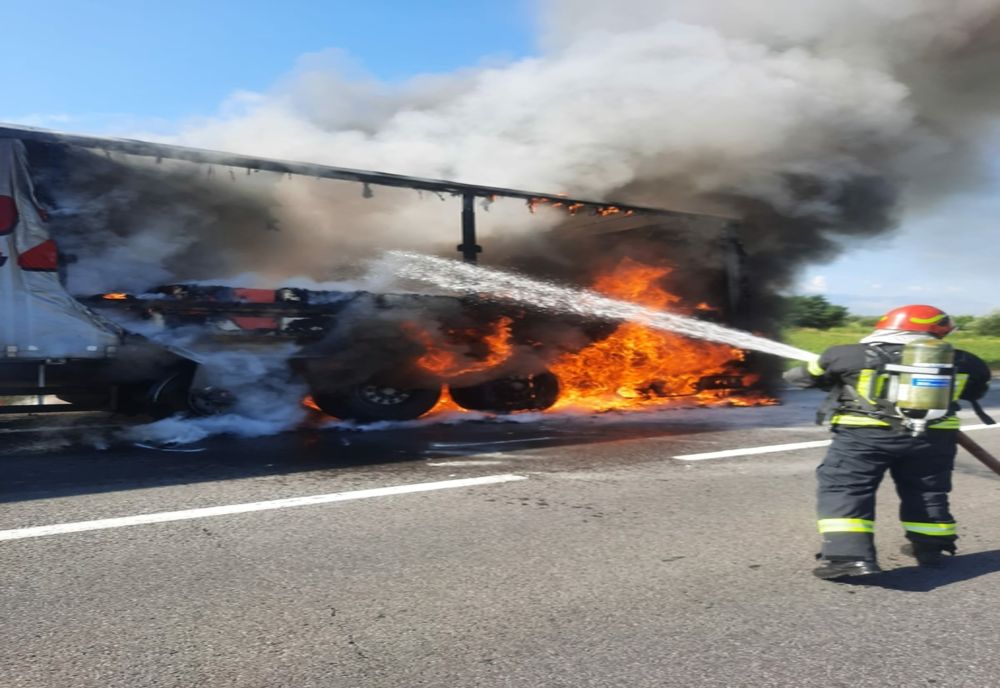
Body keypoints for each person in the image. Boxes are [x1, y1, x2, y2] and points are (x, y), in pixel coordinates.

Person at [784, 304, 992, 580]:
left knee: (846, 489)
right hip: (933, 438)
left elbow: (799, 378)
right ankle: (931, 548)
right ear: (936, 330)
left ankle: (850, 559)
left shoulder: (844, 353)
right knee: (928, 490)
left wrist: (837, 373)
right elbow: (976, 390)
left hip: (864, 437)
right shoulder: (966, 360)